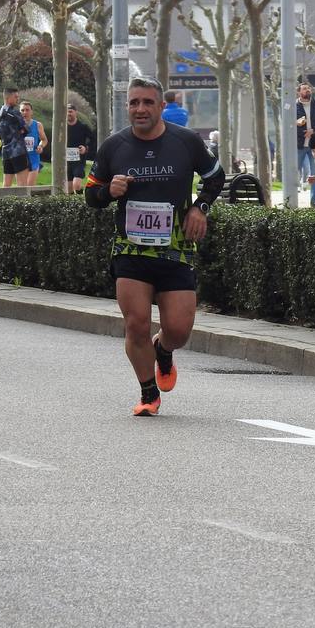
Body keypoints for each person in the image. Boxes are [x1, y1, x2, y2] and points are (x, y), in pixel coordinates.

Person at [84, 77, 225, 417]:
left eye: (148, 102)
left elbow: (215, 177)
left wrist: (199, 207)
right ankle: (149, 393)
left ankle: (163, 349)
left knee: (178, 330)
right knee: (136, 324)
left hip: (175, 249)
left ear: (162, 106)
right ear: (127, 107)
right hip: (130, 250)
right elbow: (91, 195)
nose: (140, 109)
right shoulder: (114, 146)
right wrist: (108, 191)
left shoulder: (186, 141)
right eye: (134, 103)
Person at [295, 82, 315, 204]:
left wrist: (313, 130)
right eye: (304, 89)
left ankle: (314, 201)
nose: (307, 90)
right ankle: (292, 200)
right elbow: (289, 124)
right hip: (299, 145)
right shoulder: (294, 106)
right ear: (299, 92)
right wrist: (296, 123)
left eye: (308, 88)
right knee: (294, 172)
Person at [0, 86, 30, 187]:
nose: (17, 99)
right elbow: (26, 129)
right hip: (18, 151)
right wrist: (21, 130)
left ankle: (3, 202)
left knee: (6, 184)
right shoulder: (14, 113)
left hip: (6, 152)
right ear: (8, 98)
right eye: (15, 97)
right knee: (22, 184)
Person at [65, 104, 95, 193]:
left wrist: (86, 148)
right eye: (66, 112)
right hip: (66, 161)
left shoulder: (83, 127)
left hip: (79, 160)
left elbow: (93, 139)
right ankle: (74, 205)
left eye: (70, 111)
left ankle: (81, 199)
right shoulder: (62, 127)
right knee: (68, 189)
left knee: (76, 185)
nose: (68, 114)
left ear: (75, 113)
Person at [20, 100, 48, 187]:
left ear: (31, 112)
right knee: (21, 187)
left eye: (27, 110)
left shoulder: (38, 125)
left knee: (29, 186)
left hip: (33, 158)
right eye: (22, 110)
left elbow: (44, 140)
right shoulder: (16, 125)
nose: (25, 112)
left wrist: (40, 146)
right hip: (20, 158)